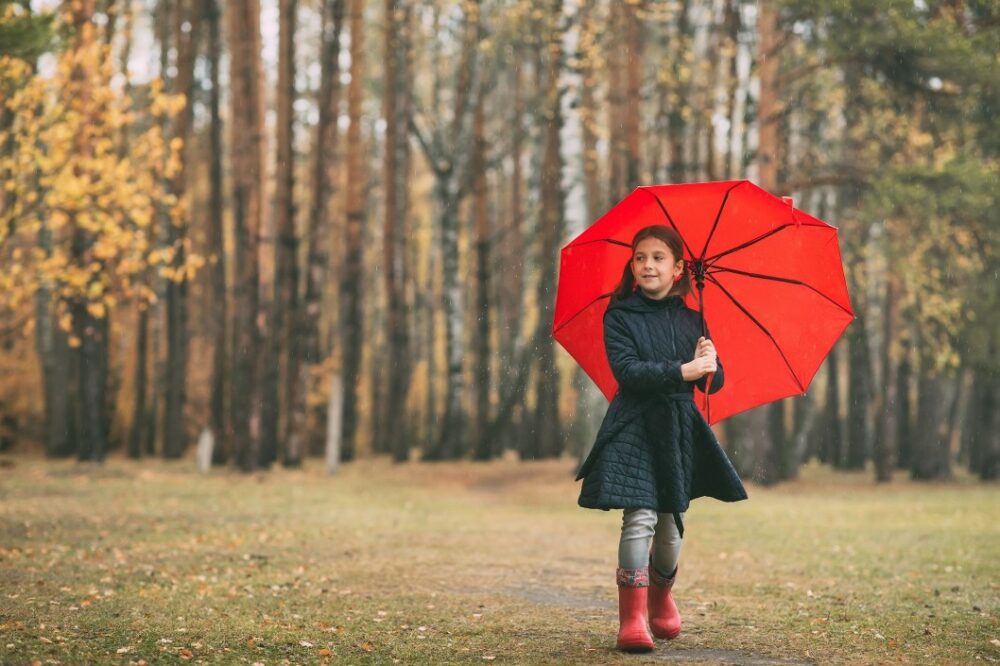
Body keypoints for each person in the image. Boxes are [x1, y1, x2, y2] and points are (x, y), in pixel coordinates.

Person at [575, 224, 748, 653]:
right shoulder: (620, 314)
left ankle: (659, 597)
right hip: (635, 425)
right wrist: (682, 371)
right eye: (640, 257)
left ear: (677, 269)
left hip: (678, 427)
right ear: (632, 266)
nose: (647, 264)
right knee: (641, 517)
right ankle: (632, 618)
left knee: (671, 524)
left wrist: (710, 362)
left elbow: (713, 384)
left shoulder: (693, 319)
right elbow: (628, 372)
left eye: (658, 257)